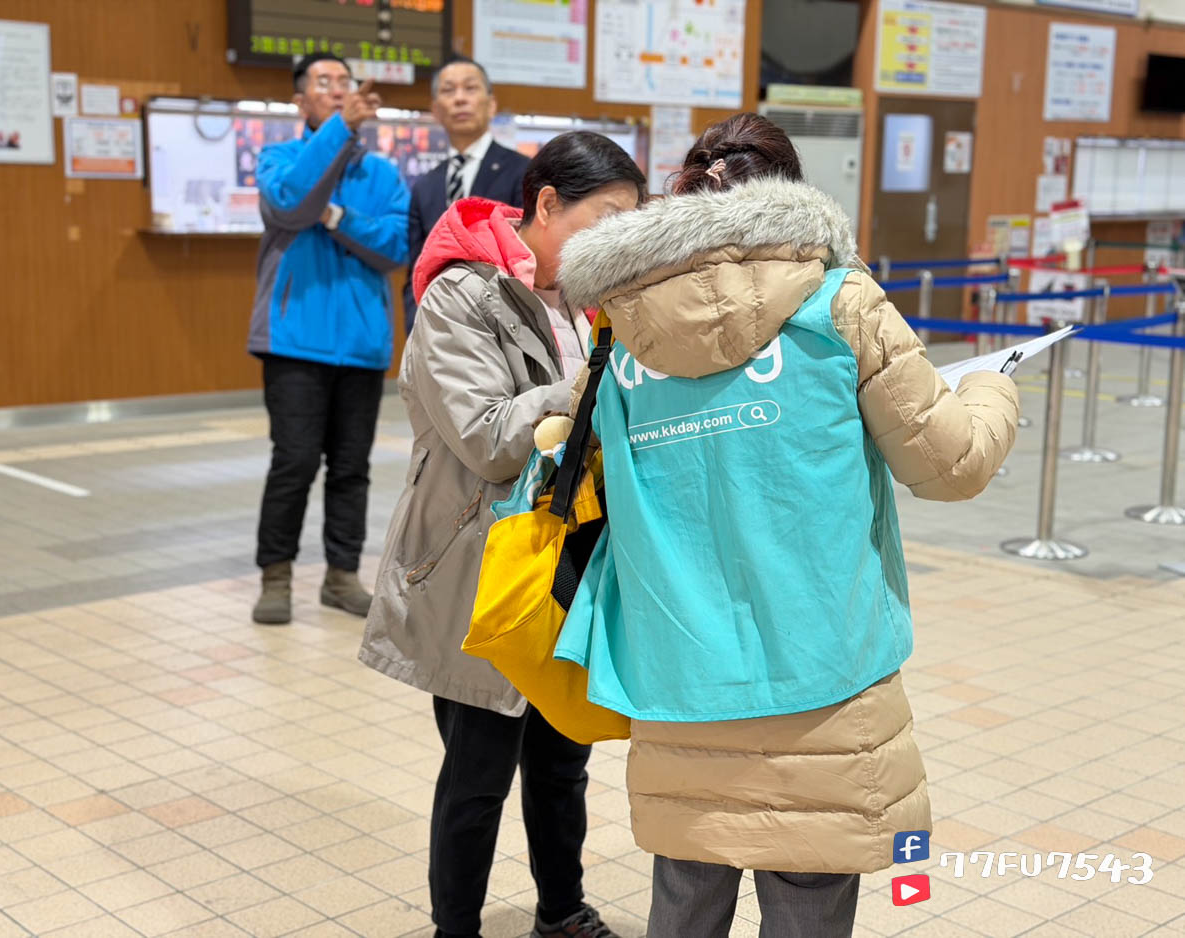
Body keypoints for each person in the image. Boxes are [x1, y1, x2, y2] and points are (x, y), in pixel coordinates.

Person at [555, 113, 1021, 938]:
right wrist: (993, 390)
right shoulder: (839, 302)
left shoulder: (625, 337)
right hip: (823, 678)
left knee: (685, 897)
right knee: (808, 901)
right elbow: (950, 467)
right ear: (793, 193)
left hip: (679, 674)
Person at [359, 132, 646, 938]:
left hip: (565, 560)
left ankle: (562, 910)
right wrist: (589, 382)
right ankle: (458, 928)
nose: (619, 238)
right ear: (547, 204)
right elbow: (486, 437)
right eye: (607, 218)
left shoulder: (589, 302)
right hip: (480, 563)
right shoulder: (460, 296)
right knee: (479, 771)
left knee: (562, 764)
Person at [247, 53, 410, 625]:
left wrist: (340, 218)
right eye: (325, 83)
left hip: (363, 344)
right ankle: (276, 576)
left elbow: (394, 247)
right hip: (293, 340)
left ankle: (341, 575)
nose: (338, 90)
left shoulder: (384, 174)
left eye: (344, 82)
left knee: (351, 466)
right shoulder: (280, 158)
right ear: (300, 102)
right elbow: (292, 204)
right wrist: (340, 132)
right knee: (293, 461)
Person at [403, 57, 529, 331]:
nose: (460, 99)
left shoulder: (523, 172)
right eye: (448, 91)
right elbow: (416, 268)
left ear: (491, 104)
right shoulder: (425, 185)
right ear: (436, 110)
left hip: (505, 329)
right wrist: (416, 328)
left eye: (470, 88)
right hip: (435, 330)